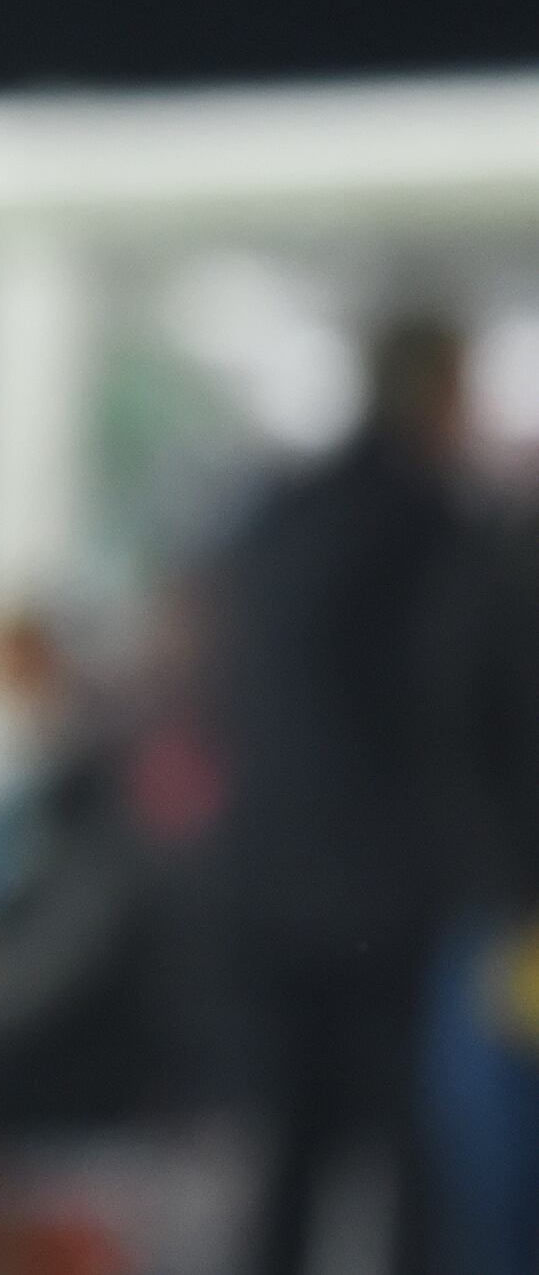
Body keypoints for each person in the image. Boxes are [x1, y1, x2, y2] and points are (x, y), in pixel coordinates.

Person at [215, 314, 476, 1275]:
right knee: (416, 1158)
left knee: (288, 1159)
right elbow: (446, 713)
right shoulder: (427, 524)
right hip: (388, 895)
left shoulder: (281, 512)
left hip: (265, 881)